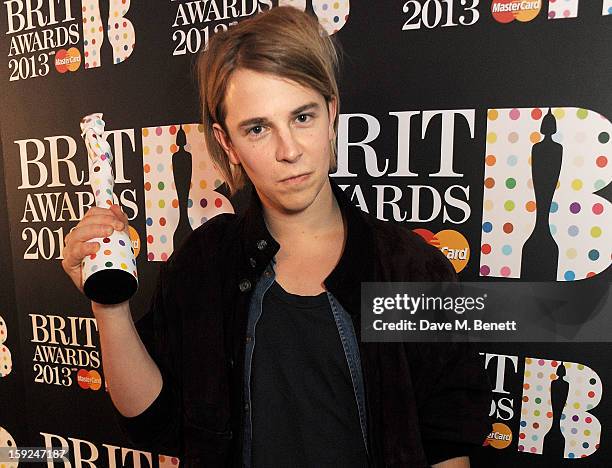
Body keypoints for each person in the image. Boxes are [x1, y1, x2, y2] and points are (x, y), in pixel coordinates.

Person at [62, 6, 491, 468]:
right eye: (259, 128)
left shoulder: (410, 269)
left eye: (302, 117)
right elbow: (152, 420)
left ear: (332, 113)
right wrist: (108, 305)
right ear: (228, 144)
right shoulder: (205, 262)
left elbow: (446, 445)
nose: (289, 151)